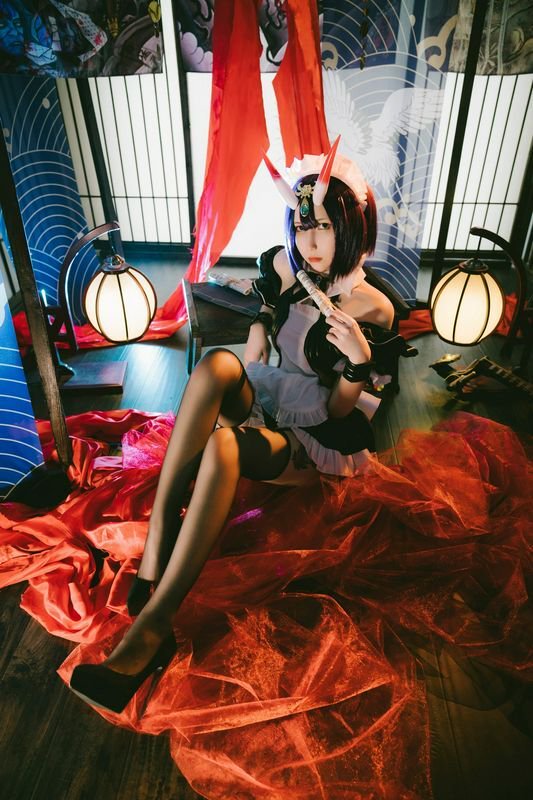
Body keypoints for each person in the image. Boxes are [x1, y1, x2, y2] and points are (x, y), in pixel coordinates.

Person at [69, 141, 397, 713]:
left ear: (350, 227)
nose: (310, 242)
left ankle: (155, 626)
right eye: (302, 226)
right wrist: (262, 326)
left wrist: (358, 362)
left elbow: (341, 413)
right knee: (216, 364)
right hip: (272, 400)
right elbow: (265, 308)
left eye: (323, 227)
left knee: (224, 445)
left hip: (315, 440)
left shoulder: (373, 308)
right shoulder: (286, 265)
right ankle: (157, 549)